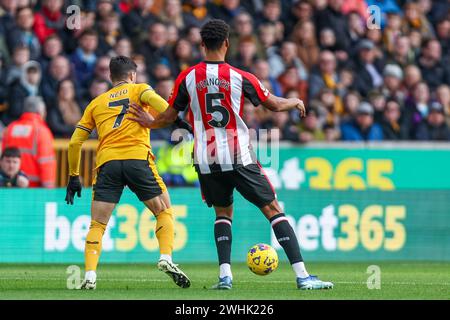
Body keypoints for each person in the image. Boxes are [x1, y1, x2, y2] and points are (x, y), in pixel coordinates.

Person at [127, 19, 333, 290]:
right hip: (237, 154)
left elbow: (168, 116)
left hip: (205, 158)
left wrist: (149, 122)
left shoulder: (188, 77)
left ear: (202, 45)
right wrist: (293, 101)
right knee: (273, 210)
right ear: (226, 43)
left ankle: (225, 277)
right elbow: (271, 104)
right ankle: (303, 276)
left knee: (223, 214)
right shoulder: (240, 76)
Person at [65, 56, 191, 290]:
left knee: (98, 224)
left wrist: (74, 175)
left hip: (108, 163)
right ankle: (165, 258)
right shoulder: (140, 89)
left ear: (111, 77)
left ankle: (90, 275)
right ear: (133, 75)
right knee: (163, 211)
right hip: (137, 159)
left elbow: (74, 142)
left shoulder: (96, 103)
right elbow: (165, 107)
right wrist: (178, 122)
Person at [1, 96, 56, 187]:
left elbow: (3, 157)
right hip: (34, 189)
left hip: (10, 186)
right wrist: (48, 190)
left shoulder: (10, 128)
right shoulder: (41, 131)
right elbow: (46, 163)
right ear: (40, 112)